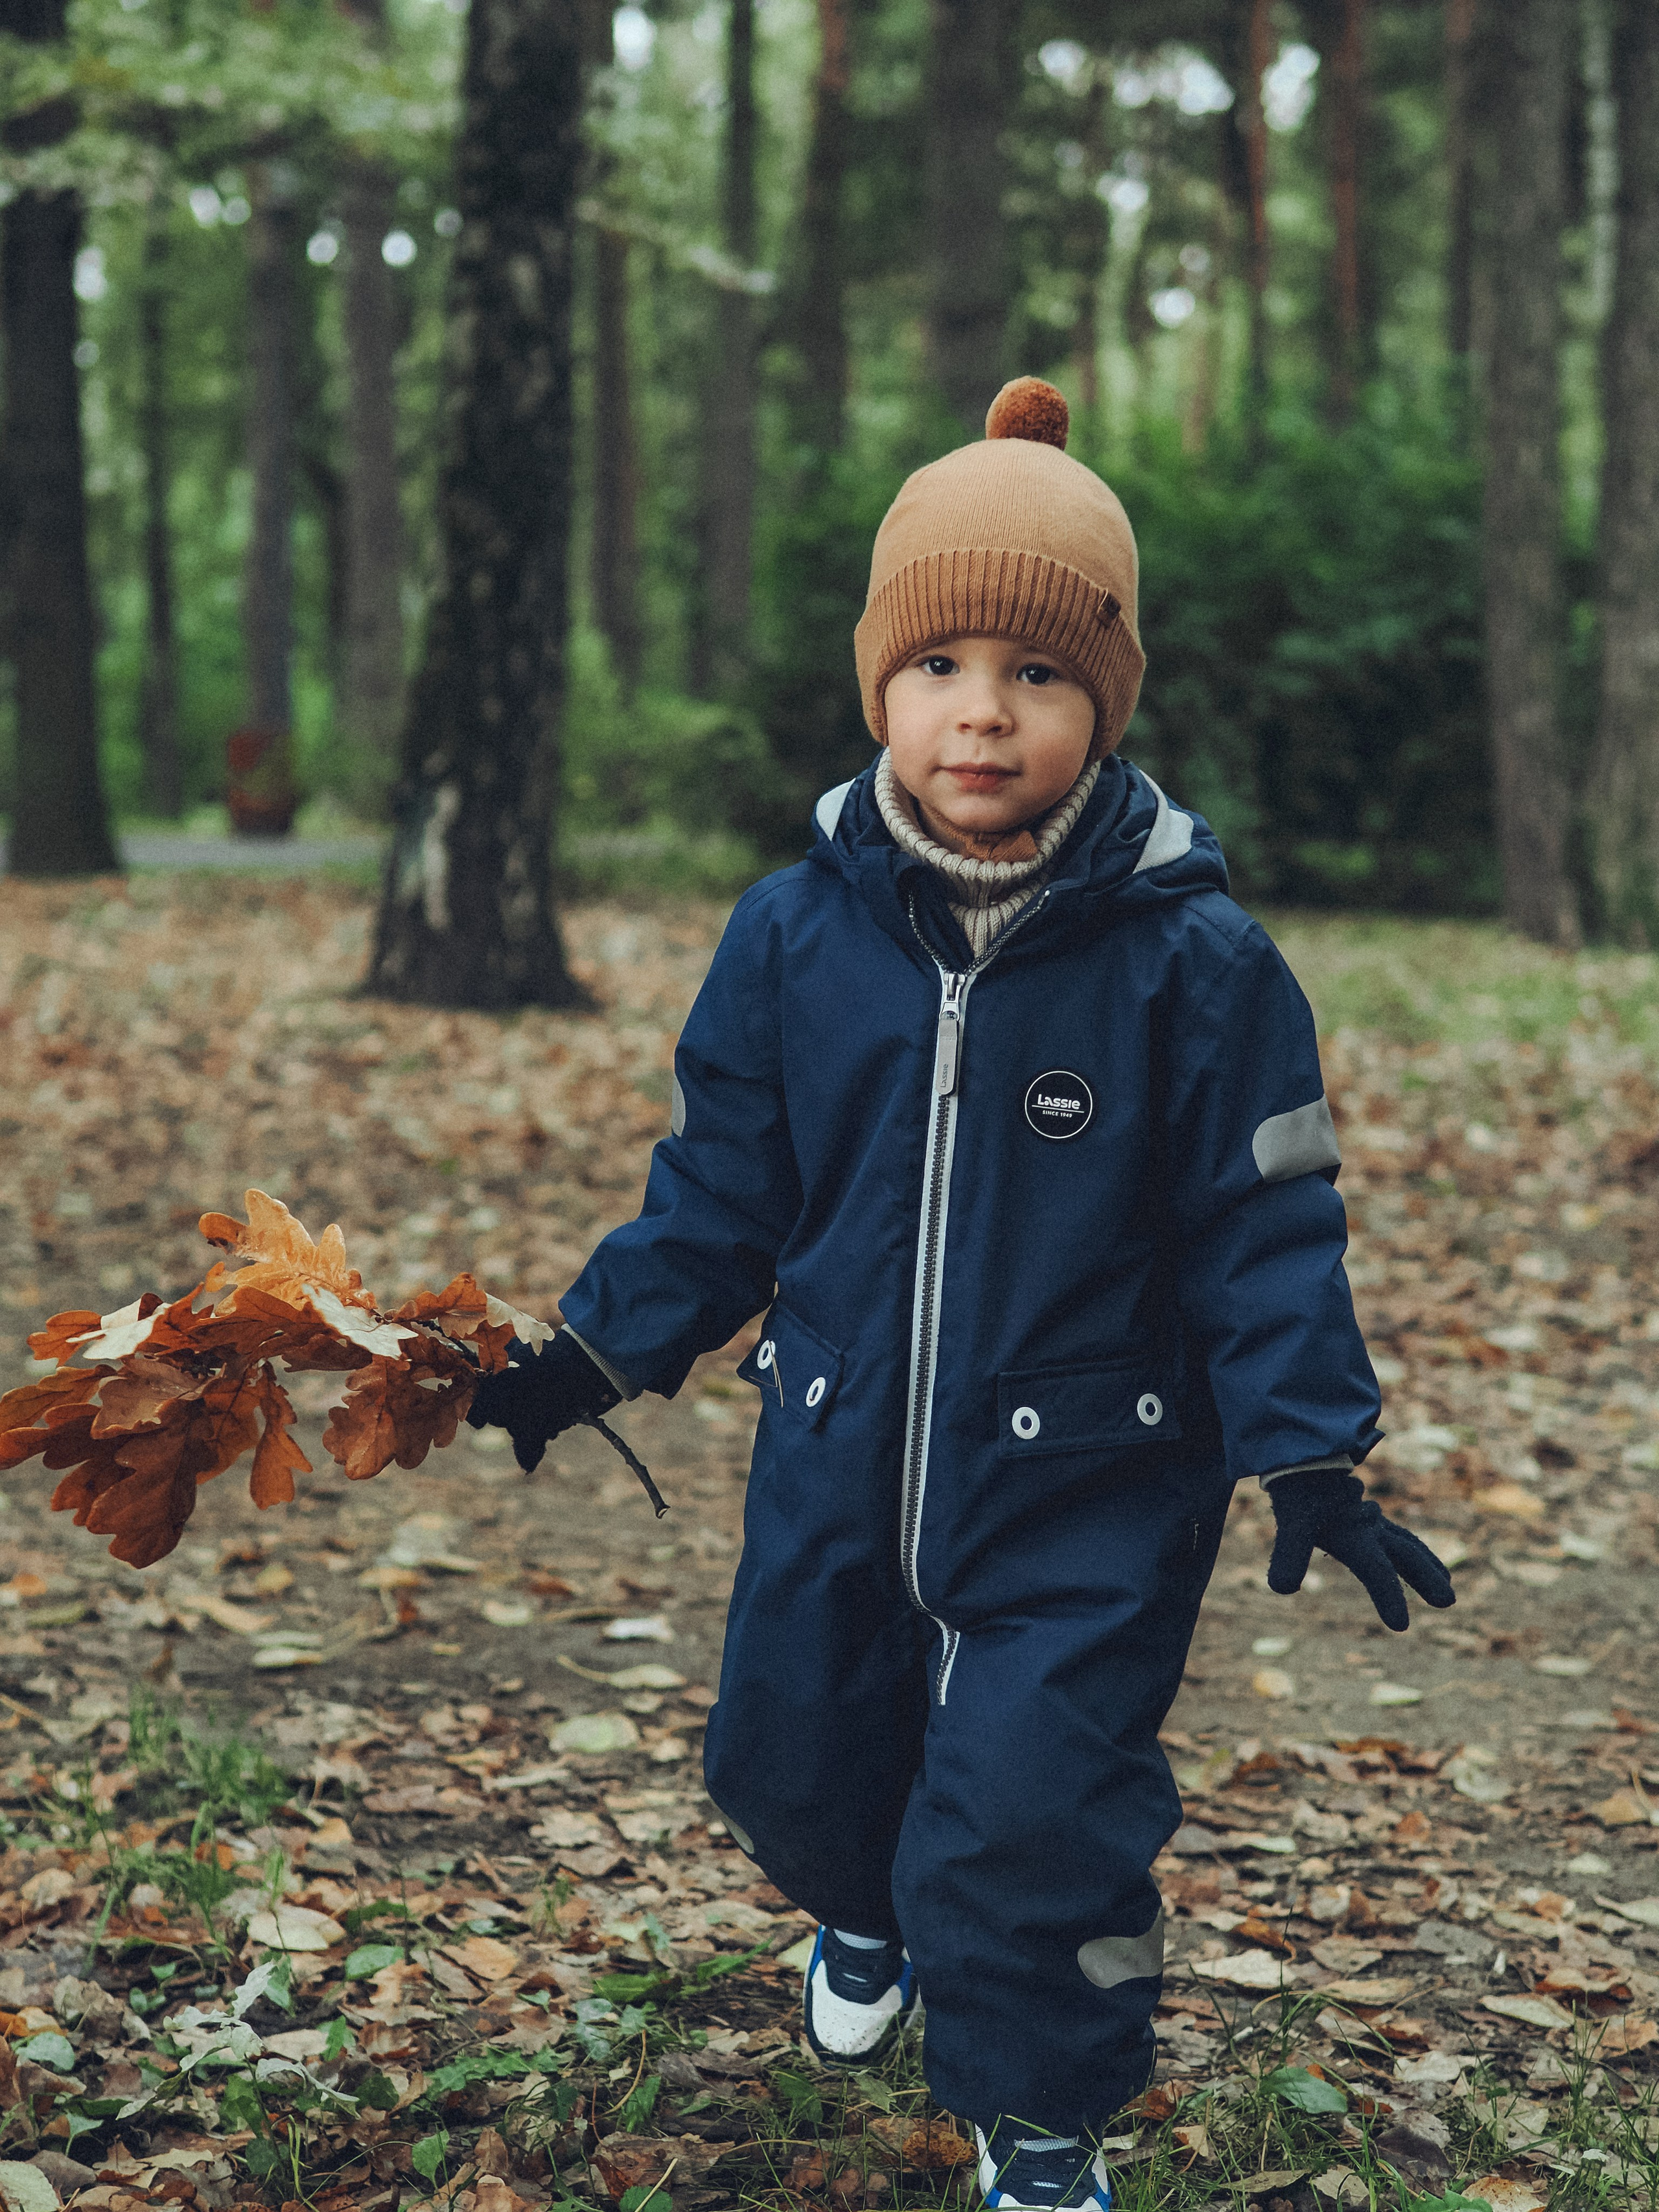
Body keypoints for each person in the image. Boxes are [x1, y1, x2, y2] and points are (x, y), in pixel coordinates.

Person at [469, 377, 1455, 2212]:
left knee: (1035, 1814)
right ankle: (864, 1902)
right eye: (939, 666)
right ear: (882, 692)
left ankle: (1040, 2123)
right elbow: (722, 1189)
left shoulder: (1196, 964)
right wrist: (592, 1351)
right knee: (787, 1755)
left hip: (1095, 1477)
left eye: (1038, 671)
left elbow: (1267, 1229)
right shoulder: (793, 937)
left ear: (1105, 704)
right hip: (838, 1441)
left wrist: (1311, 1451)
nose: (983, 709)